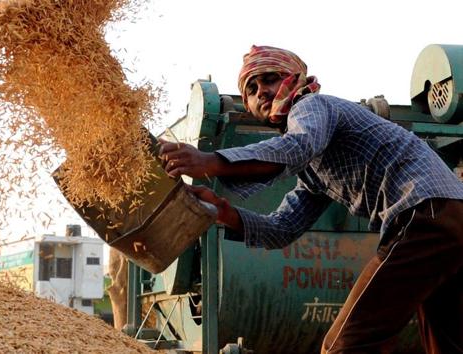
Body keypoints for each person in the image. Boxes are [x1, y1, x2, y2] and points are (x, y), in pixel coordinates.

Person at [159, 45, 463, 354]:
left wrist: (211, 161)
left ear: (294, 78)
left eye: (270, 79)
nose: (262, 91)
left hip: (423, 211)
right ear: (247, 106)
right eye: (251, 88)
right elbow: (281, 229)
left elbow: (296, 147)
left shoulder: (311, 106)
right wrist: (222, 210)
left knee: (345, 345)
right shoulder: (314, 172)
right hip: (448, 220)